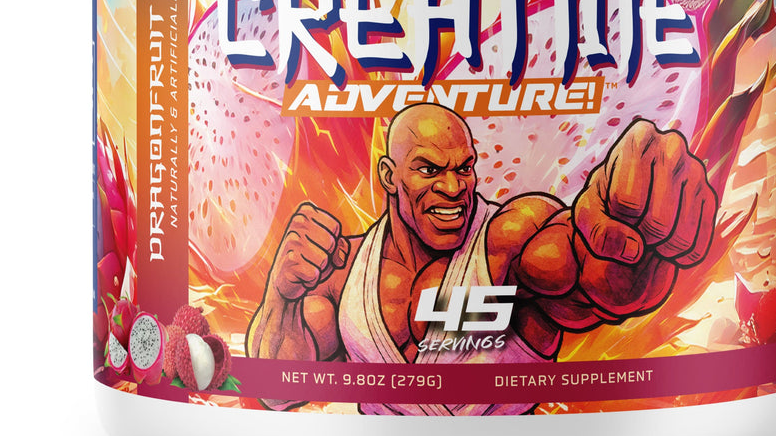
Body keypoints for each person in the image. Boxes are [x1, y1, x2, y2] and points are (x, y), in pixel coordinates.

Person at [246, 103, 717, 414]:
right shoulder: (345, 269)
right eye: (429, 170)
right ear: (389, 176)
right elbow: (279, 388)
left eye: (464, 168)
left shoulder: (510, 238)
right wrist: (280, 298)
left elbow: (593, 275)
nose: (454, 188)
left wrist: (640, 232)